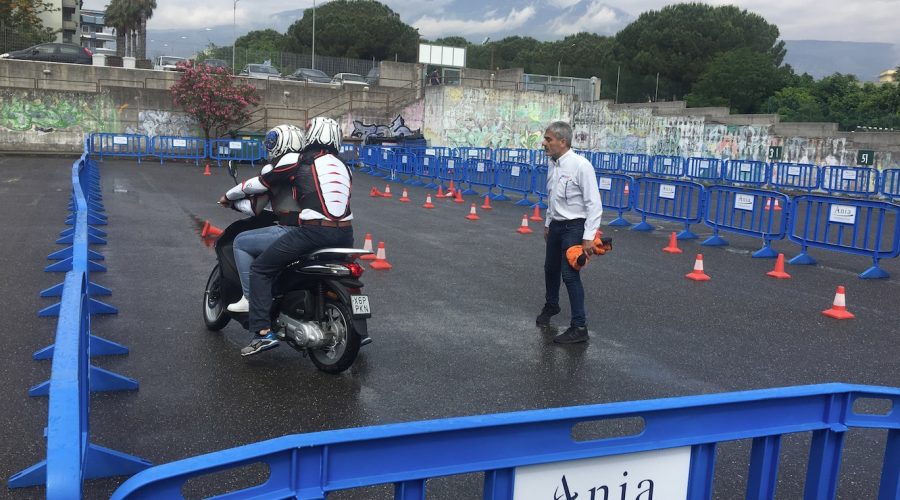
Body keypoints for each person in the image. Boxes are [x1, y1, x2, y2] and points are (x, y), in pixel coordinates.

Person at [241, 117, 354, 357]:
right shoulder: (345, 167)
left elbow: (263, 183)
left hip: (313, 231)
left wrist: (232, 196)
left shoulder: (302, 162)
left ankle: (261, 331)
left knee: (261, 269)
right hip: (346, 235)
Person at [219, 124, 306, 313]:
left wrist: (230, 201)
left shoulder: (274, 169)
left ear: (280, 144)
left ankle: (249, 298)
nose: (269, 145)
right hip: (321, 229)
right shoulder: (311, 166)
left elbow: (254, 207)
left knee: (241, 242)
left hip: (292, 228)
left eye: (272, 141)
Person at [536, 121, 603, 344]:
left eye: (548, 139)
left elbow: (594, 203)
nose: (544, 143)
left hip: (574, 227)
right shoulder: (552, 164)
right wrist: (548, 223)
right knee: (550, 269)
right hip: (556, 225)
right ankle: (552, 304)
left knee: (569, 275)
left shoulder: (581, 166)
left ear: (562, 142)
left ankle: (579, 327)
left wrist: (588, 237)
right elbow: (551, 196)